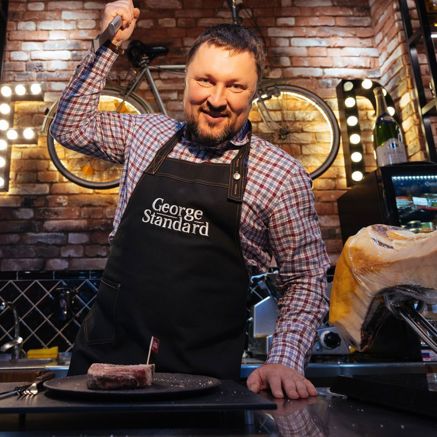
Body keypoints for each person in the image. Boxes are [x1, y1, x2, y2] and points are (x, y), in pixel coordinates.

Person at [51, 0, 330, 400]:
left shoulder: (281, 175)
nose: (216, 99)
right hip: (102, 369)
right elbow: (70, 127)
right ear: (185, 79)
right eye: (205, 80)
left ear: (254, 92)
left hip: (204, 385)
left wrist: (285, 359)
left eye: (235, 86)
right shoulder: (145, 134)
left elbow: (304, 279)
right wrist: (109, 46)